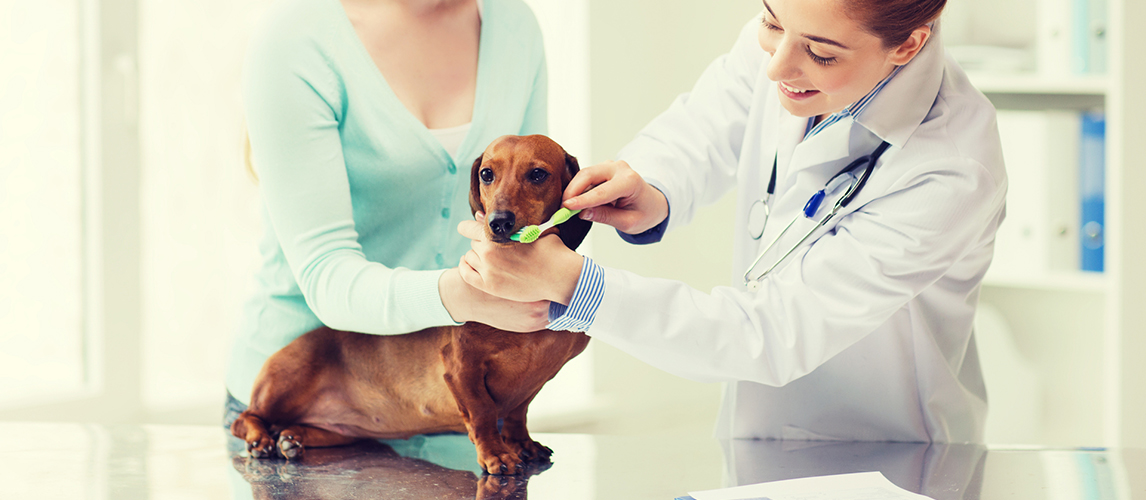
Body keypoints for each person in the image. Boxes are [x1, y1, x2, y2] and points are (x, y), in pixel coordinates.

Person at [458, 0, 1006, 443]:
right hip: (756, 437)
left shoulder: (951, 166)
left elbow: (773, 334)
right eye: (770, 21)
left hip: (891, 451)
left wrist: (576, 287)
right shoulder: (794, 33)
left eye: (819, 53)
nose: (776, 65)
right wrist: (652, 186)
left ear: (909, 43)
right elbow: (700, 129)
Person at [224, 0, 552, 423]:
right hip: (304, 405)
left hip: (452, 402)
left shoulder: (513, 23)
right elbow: (326, 274)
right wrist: (462, 297)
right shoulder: (297, 37)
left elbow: (536, 216)